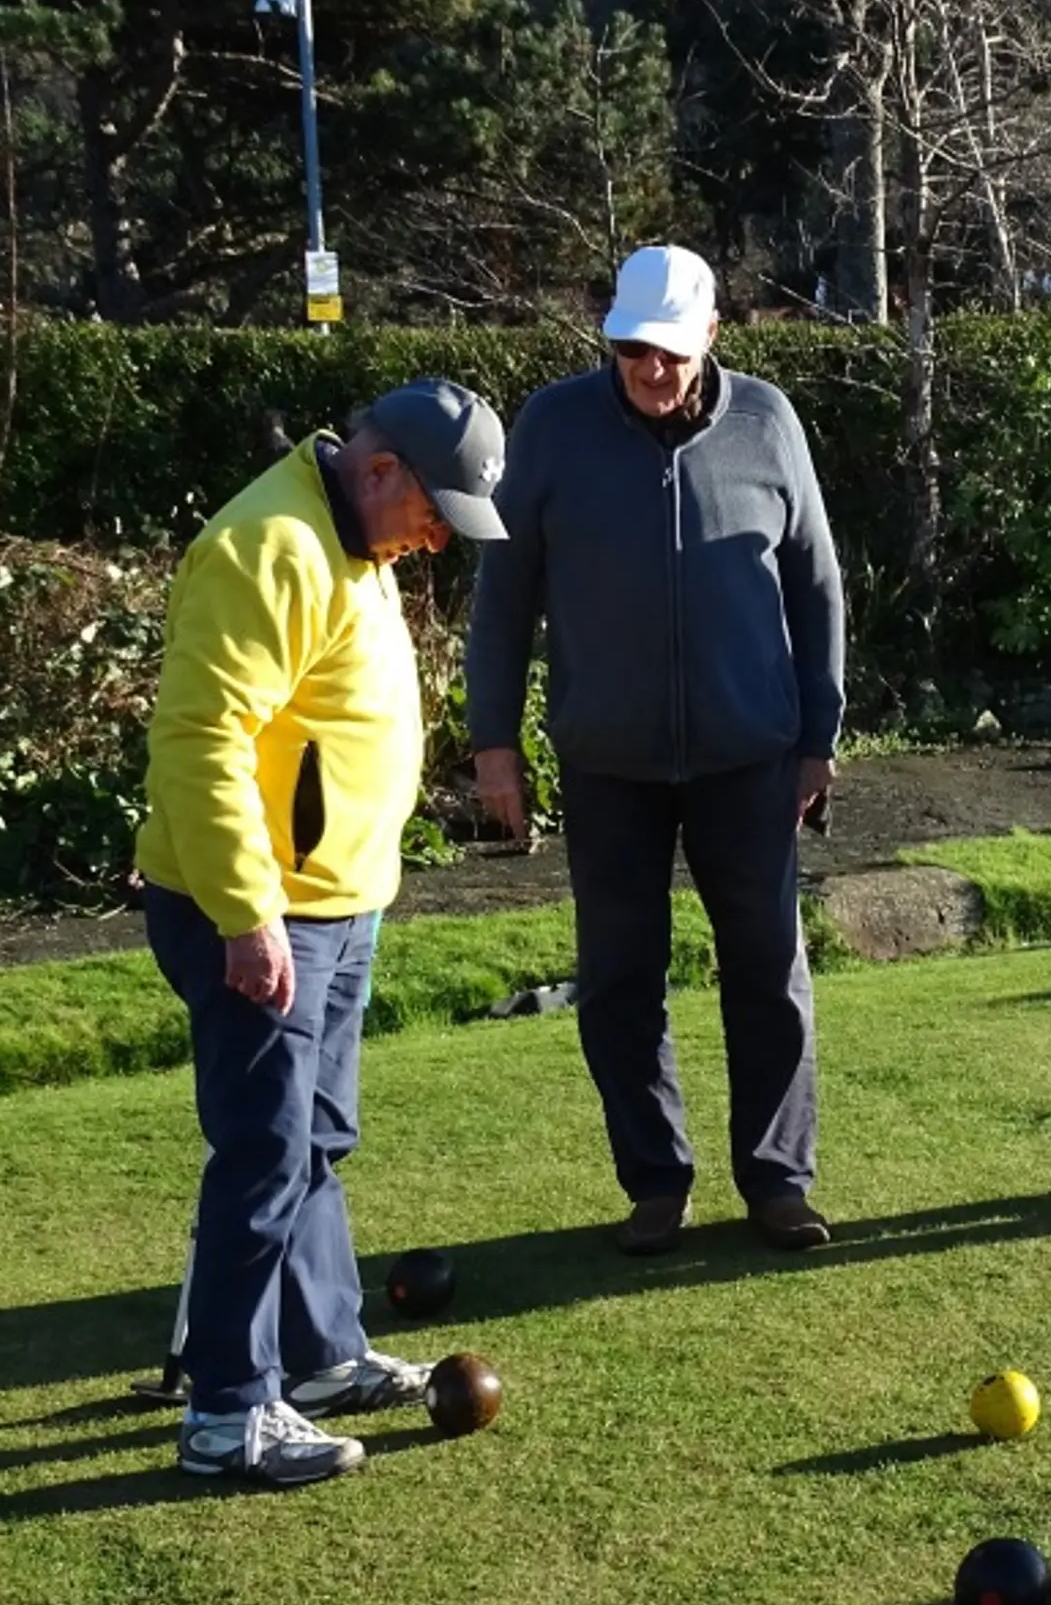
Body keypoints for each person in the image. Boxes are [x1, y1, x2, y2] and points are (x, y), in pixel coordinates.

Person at [137, 379, 508, 1487]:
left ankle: (319, 1355)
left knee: (316, 1138)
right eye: (434, 511)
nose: (437, 539)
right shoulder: (269, 547)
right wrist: (246, 913)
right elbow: (201, 740)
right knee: (261, 1148)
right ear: (381, 467)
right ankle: (227, 1413)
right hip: (259, 909)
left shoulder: (356, 544)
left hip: (338, 899)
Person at [466, 244, 846, 1256]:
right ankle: (654, 1183)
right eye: (632, 349)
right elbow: (501, 600)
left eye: (669, 352)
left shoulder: (766, 420)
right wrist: (492, 740)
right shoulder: (552, 426)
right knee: (621, 978)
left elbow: (815, 587)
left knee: (766, 971)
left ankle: (776, 1182)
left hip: (748, 754)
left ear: (711, 336)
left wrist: (820, 735)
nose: (649, 369)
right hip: (608, 762)